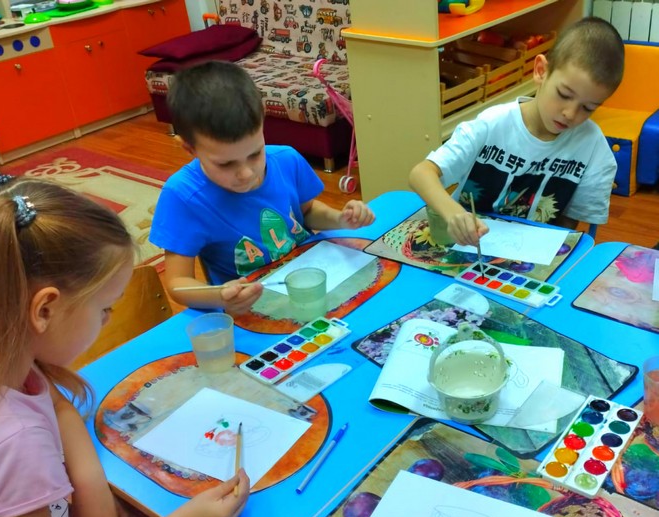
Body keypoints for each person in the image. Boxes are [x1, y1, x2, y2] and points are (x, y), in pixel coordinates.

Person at [0, 172, 250, 517]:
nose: (108, 320)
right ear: (45, 310)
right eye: (104, 309)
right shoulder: (13, 442)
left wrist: (89, 478)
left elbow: (55, 402)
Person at [149, 60, 375, 314]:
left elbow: (307, 212)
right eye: (226, 164)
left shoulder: (286, 159)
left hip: (312, 284)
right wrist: (219, 296)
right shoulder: (182, 196)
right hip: (251, 310)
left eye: (255, 153)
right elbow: (178, 284)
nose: (246, 174)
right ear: (190, 149)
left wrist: (340, 219)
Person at [409, 16, 625, 247]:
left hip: (530, 255)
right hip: (467, 246)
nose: (570, 114)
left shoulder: (593, 149)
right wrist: (454, 214)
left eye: (588, 108)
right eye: (564, 94)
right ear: (541, 71)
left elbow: (570, 227)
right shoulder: (492, 125)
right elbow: (421, 174)